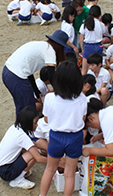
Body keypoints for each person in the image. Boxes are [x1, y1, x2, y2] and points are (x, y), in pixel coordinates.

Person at [40, 61, 87, 196]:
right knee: (70, 174)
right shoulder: (82, 98)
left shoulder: (49, 98)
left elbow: (47, 119)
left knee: (50, 169)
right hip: (75, 137)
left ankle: (42, 194)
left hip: (56, 136)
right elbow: (82, 119)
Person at [2, 30, 67, 117]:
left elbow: (29, 72)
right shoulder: (49, 50)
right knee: (29, 109)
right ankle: (26, 128)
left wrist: (36, 91)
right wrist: (59, 92)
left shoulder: (41, 45)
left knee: (21, 106)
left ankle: (20, 126)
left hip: (7, 72)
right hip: (17, 76)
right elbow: (51, 75)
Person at [0, 107, 51, 190]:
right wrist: (55, 162)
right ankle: (18, 179)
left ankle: (19, 172)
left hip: (1, 166)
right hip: (6, 171)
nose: (37, 125)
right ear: (28, 123)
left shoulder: (15, 128)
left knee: (32, 149)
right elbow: (38, 158)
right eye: (35, 123)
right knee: (34, 154)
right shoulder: (22, 136)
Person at [79, 5, 105, 75]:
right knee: (98, 69)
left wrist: (82, 49)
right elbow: (102, 34)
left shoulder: (85, 24)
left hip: (88, 46)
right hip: (99, 46)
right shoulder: (101, 24)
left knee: (84, 70)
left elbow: (81, 39)